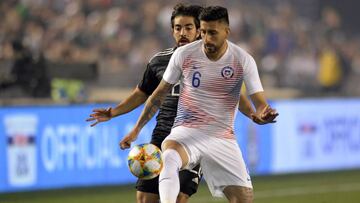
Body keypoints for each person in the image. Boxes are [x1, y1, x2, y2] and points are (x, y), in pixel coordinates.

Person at [119, 6, 278, 203]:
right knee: (169, 156)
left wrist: (263, 113)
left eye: (212, 32)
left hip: (222, 137)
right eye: (203, 32)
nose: (206, 38)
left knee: (244, 198)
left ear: (227, 31)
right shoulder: (184, 54)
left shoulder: (243, 60)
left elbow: (259, 102)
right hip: (187, 130)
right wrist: (136, 129)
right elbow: (157, 95)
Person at [87, 4, 205, 203]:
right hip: (162, 135)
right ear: (172, 31)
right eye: (178, 28)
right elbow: (141, 94)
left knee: (177, 197)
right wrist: (114, 113)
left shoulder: (211, 61)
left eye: (188, 28)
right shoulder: (160, 61)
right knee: (144, 198)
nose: (182, 33)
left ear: (199, 31)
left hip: (194, 139)